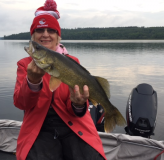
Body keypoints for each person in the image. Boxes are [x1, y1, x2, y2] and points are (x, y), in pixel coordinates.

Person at [13, 0, 106, 159]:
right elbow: (22, 104)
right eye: (40, 30)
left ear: (58, 37)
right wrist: (33, 82)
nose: (45, 34)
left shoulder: (72, 62)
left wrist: (78, 104)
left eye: (51, 30)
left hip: (73, 125)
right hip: (39, 127)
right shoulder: (25, 65)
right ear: (33, 36)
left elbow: (77, 109)